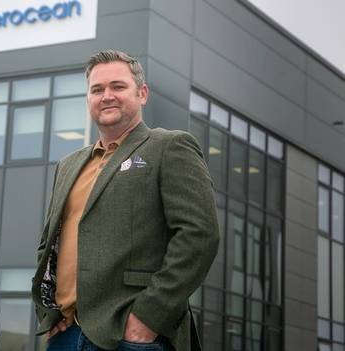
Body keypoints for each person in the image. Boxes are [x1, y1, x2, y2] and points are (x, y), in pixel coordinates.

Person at [32, 50, 219, 351]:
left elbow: (199, 235)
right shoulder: (67, 165)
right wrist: (50, 310)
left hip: (130, 336)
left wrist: (147, 318)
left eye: (117, 87)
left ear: (142, 94)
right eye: (97, 89)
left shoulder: (169, 147)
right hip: (65, 334)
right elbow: (49, 244)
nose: (107, 96)